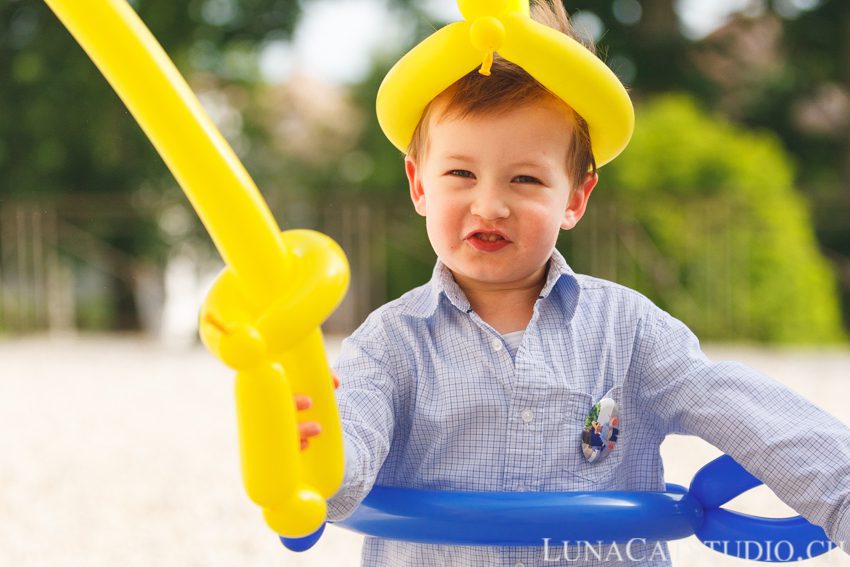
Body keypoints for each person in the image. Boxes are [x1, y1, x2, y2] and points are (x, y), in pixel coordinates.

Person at [298, 1, 850, 565]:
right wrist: (318, 452)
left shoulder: (629, 331)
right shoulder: (389, 343)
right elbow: (346, 459)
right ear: (419, 185)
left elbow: (748, 413)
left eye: (526, 178)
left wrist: (841, 492)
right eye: (460, 173)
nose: (489, 204)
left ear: (576, 198)